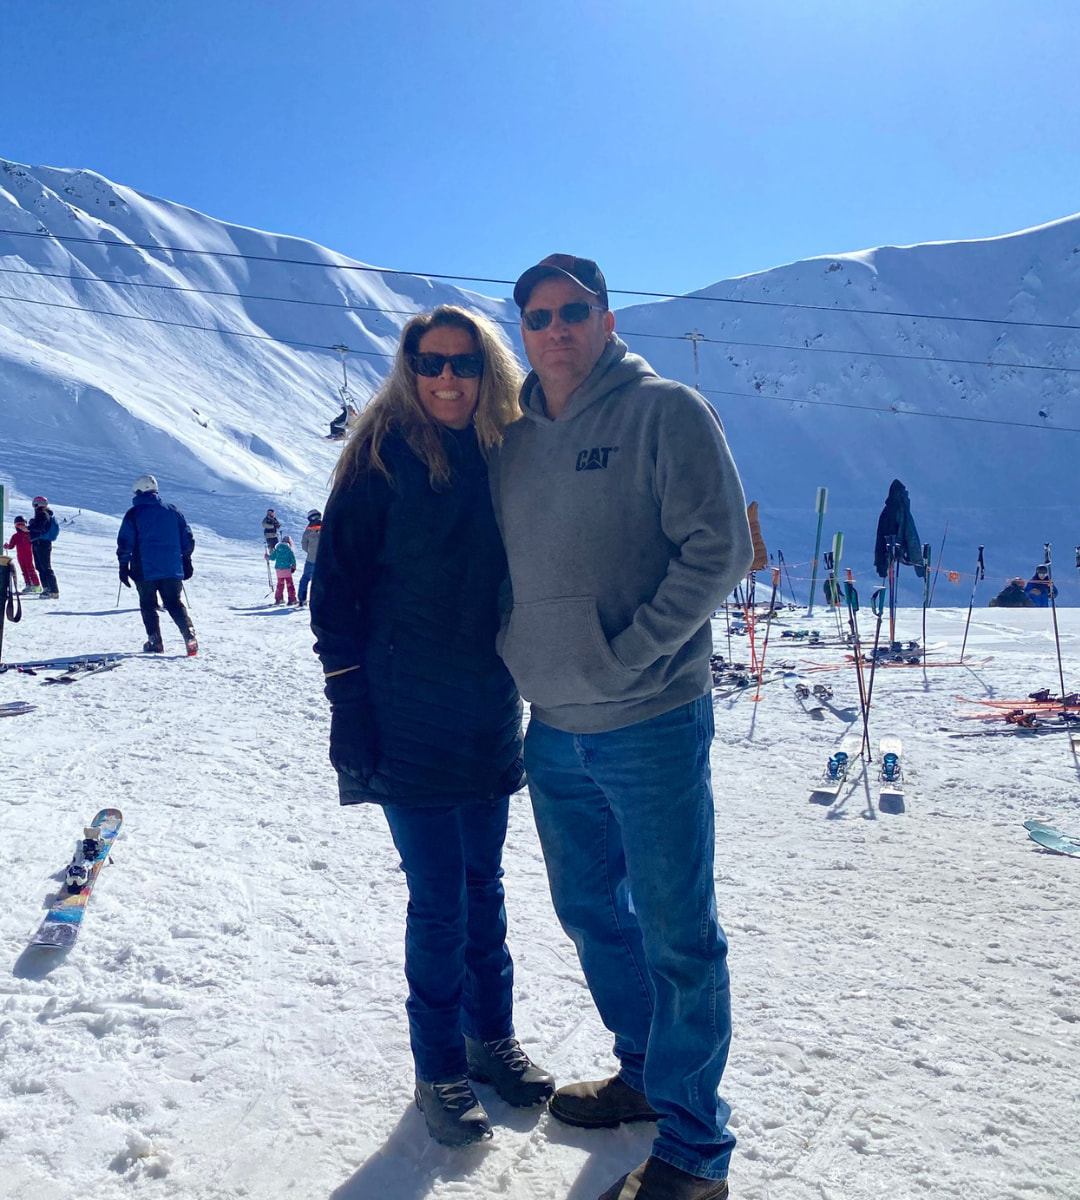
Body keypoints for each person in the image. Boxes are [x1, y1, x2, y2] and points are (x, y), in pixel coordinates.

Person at [489, 254, 753, 1200]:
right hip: (552, 725)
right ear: (520, 329)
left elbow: (720, 547)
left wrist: (633, 651)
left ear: (607, 318)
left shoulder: (664, 411)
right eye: (537, 316)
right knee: (594, 913)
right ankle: (645, 1073)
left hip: (650, 717)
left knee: (681, 935)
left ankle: (693, 1151)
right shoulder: (512, 441)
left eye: (574, 311)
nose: (555, 329)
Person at [311, 304, 553, 1148]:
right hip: (404, 712)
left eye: (462, 363)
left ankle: (493, 1042)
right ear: (408, 368)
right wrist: (350, 708)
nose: (447, 378)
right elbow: (333, 596)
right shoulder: (377, 460)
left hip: (486, 708)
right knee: (441, 901)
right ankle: (438, 1067)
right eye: (430, 361)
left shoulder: (503, 454)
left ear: (487, 370)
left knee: (485, 891)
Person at [116, 475, 198, 656]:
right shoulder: (173, 511)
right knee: (174, 602)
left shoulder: (134, 513)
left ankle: (155, 641)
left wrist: (123, 566)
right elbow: (187, 536)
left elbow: (125, 542)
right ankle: (189, 634)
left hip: (144, 569)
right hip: (172, 568)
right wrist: (186, 558)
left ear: (138, 491)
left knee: (148, 604)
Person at [27, 496, 60, 598]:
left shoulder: (42, 514)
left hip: (42, 543)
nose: (34, 507)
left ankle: (53, 591)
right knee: (40, 566)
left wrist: (28, 528)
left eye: (34, 504)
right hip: (39, 542)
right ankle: (47, 589)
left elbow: (39, 528)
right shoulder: (44, 514)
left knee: (45, 567)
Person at [4, 516, 40, 593]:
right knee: (24, 570)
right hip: (20, 556)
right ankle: (28, 585)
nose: (20, 527)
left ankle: (36, 585)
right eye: (18, 525)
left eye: (22, 525)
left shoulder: (29, 534)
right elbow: (12, 545)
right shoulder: (15, 536)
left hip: (29, 555)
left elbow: (36, 541)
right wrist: (8, 546)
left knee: (30, 569)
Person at [297, 509, 322, 608]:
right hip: (323, 560)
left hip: (311, 559)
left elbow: (304, 545)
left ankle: (302, 599)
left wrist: (311, 551)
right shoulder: (326, 526)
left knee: (306, 578)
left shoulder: (308, 529)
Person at [268, 534, 298, 605]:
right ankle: (292, 599)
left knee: (280, 584)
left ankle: (279, 599)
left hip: (279, 569)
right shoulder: (289, 550)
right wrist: (293, 566)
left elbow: (272, 557)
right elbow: (292, 560)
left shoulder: (277, 549)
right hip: (287, 569)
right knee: (290, 585)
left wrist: (267, 557)